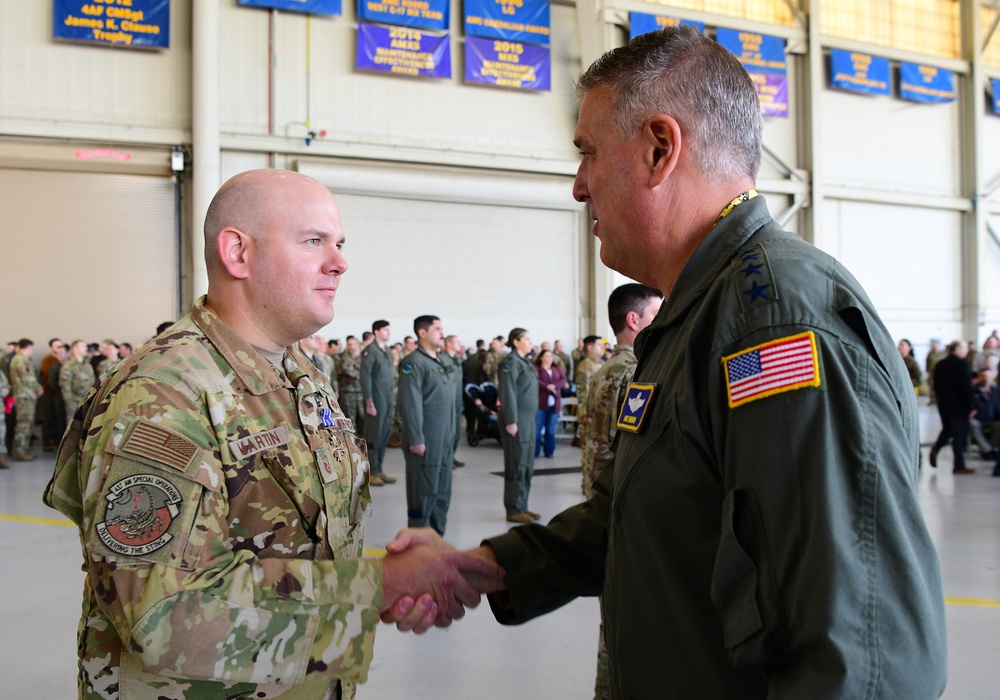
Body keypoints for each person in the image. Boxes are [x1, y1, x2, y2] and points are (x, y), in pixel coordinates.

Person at [384, 27, 947, 699]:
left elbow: (858, 648)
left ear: (659, 149)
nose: (578, 187)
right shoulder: (701, 315)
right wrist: (479, 568)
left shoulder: (775, 324)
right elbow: (644, 517)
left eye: (589, 154)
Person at [42, 169, 502, 699]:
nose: (340, 262)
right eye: (313, 241)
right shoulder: (164, 392)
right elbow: (160, 612)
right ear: (237, 253)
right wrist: (381, 586)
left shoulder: (300, 377)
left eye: (340, 244)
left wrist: (384, 580)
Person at [398, 316, 457, 534]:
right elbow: (410, 403)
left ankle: (436, 542)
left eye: (442, 328)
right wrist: (416, 439)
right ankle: (417, 547)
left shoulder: (440, 361)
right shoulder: (414, 363)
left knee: (442, 493)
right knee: (423, 494)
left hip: (444, 439)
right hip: (425, 441)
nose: (442, 332)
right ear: (422, 333)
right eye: (437, 329)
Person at [497, 328, 539, 524]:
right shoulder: (510, 363)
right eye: (527, 339)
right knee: (516, 465)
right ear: (516, 342)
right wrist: (511, 420)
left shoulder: (524, 362)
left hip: (528, 421)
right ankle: (513, 508)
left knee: (526, 465)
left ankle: (522, 504)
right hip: (517, 421)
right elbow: (508, 393)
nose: (531, 342)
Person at [360, 319, 397, 486]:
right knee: (373, 436)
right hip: (376, 399)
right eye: (385, 330)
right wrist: (369, 402)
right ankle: (371, 472)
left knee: (384, 435)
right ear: (376, 332)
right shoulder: (371, 351)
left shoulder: (387, 351)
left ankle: (379, 468)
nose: (388, 332)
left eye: (389, 330)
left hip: (388, 399)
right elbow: (365, 377)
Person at [930, 340, 975, 474]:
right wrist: (971, 406)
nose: (966, 351)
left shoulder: (940, 364)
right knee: (959, 436)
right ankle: (959, 465)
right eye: (965, 348)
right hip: (959, 407)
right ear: (957, 350)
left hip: (944, 405)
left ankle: (935, 449)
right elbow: (966, 388)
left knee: (948, 430)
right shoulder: (961, 364)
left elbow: (936, 386)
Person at [9, 338, 42, 461]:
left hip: (27, 396)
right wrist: (38, 387)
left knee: (27, 423)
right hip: (24, 396)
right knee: (23, 423)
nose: (32, 351)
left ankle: (23, 449)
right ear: (27, 347)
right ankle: (19, 451)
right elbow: (27, 378)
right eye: (31, 348)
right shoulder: (20, 360)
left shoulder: (20, 359)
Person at [533, 349, 567, 459]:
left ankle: (549, 451)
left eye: (551, 356)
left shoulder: (557, 369)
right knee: (537, 428)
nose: (550, 358)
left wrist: (554, 386)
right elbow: (534, 381)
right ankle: (535, 452)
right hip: (540, 403)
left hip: (554, 403)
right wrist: (546, 386)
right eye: (547, 356)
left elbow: (563, 380)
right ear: (541, 358)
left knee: (550, 428)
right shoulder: (536, 369)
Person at [443, 334, 465, 467]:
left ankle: (451, 456)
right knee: (448, 432)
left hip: (457, 400)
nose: (459, 344)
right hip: (448, 401)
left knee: (457, 431)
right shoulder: (443, 360)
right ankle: (446, 458)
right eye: (457, 342)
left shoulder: (456, 360)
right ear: (449, 344)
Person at [337, 335, 364, 433]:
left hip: (362, 391)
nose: (350, 347)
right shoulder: (344, 357)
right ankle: (353, 442)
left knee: (363, 417)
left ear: (358, 345)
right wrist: (360, 373)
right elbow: (348, 371)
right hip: (348, 391)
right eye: (349, 345)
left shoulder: (364, 356)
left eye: (352, 344)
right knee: (350, 418)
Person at [970, 366, 998, 460]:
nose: (985, 378)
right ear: (979, 377)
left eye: (988, 376)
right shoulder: (973, 391)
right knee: (972, 424)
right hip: (978, 418)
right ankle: (987, 450)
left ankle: (990, 448)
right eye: (983, 376)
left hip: (992, 419)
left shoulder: (995, 391)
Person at [926, 338, 946, 403]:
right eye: (934, 345)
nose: (935, 346)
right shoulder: (930, 353)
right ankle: (932, 400)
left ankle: (939, 399)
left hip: (941, 373)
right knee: (931, 386)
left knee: (940, 386)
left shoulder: (943, 353)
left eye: (936, 345)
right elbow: (927, 362)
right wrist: (927, 370)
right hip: (932, 372)